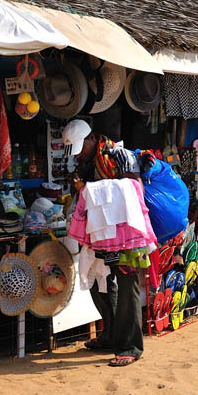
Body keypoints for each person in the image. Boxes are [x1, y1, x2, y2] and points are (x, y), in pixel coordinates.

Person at [65, 118, 147, 368]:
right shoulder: (88, 165)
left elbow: (134, 189)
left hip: (126, 232)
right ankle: (111, 334)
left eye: (82, 148)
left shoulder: (118, 155)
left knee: (126, 285)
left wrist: (89, 188)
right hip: (101, 235)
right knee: (97, 283)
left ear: (92, 139)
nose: (79, 155)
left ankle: (130, 346)